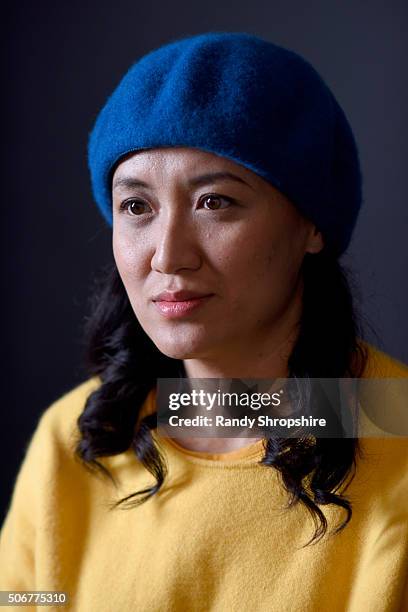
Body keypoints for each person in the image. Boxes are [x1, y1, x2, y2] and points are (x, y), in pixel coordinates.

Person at [1, 32, 407, 611]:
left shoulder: (397, 430)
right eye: (136, 207)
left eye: (214, 202)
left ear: (311, 225)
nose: (167, 255)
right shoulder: (74, 438)